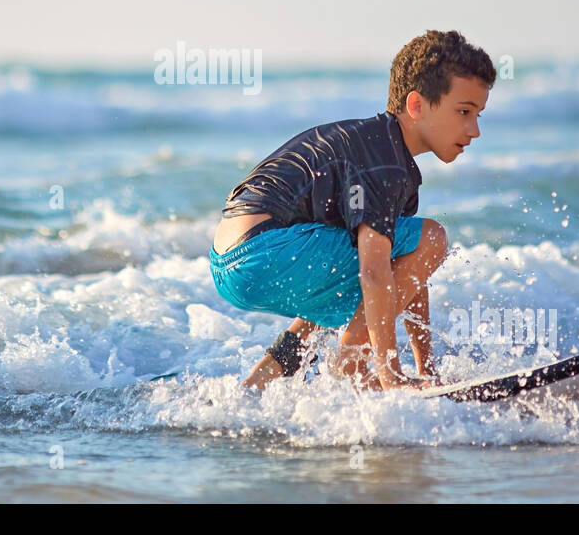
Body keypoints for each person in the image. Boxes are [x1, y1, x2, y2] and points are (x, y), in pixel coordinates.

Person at [209, 30, 495, 391]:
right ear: (417, 106)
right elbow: (376, 275)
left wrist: (428, 369)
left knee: (365, 278)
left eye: (479, 115)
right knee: (427, 239)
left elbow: (409, 273)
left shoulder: (383, 151)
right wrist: (391, 377)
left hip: (229, 262)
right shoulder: (383, 165)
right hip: (266, 250)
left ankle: (259, 381)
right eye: (464, 112)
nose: (475, 130)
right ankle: (352, 364)